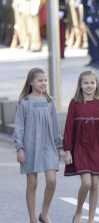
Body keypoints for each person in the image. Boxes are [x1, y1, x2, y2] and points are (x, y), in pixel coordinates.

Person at [63, 70, 99, 223]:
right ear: (80, 85)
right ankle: (79, 211)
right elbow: (69, 128)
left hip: (98, 147)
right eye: (86, 83)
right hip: (80, 147)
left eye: (92, 83)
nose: (89, 86)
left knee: (95, 184)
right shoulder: (74, 103)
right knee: (86, 182)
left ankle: (91, 219)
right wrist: (68, 151)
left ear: (96, 84)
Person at [12, 67, 62, 223]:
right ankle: (32, 218)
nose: (44, 83)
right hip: (30, 146)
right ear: (31, 82)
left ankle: (44, 213)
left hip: (48, 146)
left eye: (45, 80)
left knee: (52, 180)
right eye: (40, 80)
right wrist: (19, 148)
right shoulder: (25, 103)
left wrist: (58, 146)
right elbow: (19, 127)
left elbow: (55, 126)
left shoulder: (50, 102)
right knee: (32, 182)